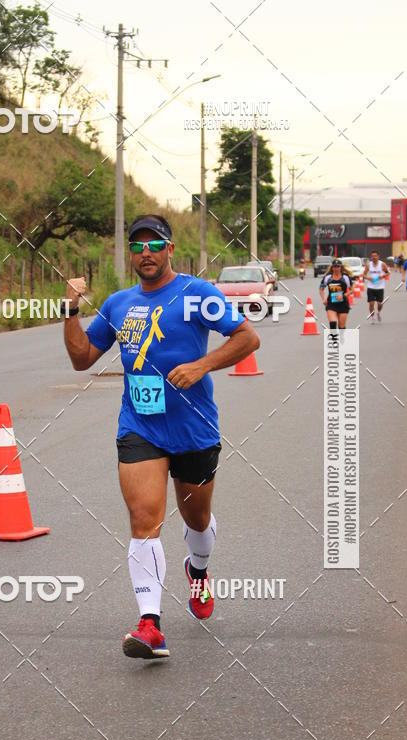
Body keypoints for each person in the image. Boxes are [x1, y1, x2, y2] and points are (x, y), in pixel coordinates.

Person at [62, 214, 259, 660]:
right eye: (137, 246)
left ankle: (199, 568)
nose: (146, 253)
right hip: (140, 427)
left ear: (171, 249)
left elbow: (247, 338)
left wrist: (201, 365)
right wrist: (70, 309)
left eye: (155, 245)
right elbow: (81, 358)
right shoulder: (117, 304)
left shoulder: (197, 295)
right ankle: (150, 624)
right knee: (144, 520)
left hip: (193, 430)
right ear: (130, 254)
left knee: (197, 523)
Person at [319, 258, 352, 339]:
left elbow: (352, 290)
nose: (336, 268)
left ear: (341, 267)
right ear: (332, 267)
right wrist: (323, 299)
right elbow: (321, 288)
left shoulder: (345, 277)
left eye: (338, 266)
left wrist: (344, 295)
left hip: (343, 304)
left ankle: (342, 339)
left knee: (341, 326)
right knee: (333, 323)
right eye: (334, 266)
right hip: (331, 304)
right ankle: (334, 342)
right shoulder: (328, 277)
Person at [363, 250, 390, 323]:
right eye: (372, 256)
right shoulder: (369, 265)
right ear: (371, 257)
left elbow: (388, 273)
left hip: (380, 287)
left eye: (375, 256)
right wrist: (368, 278)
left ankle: (378, 312)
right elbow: (364, 275)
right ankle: (372, 317)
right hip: (371, 287)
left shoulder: (382, 264)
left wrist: (383, 276)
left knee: (379, 304)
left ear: (378, 256)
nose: (374, 257)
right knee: (371, 303)